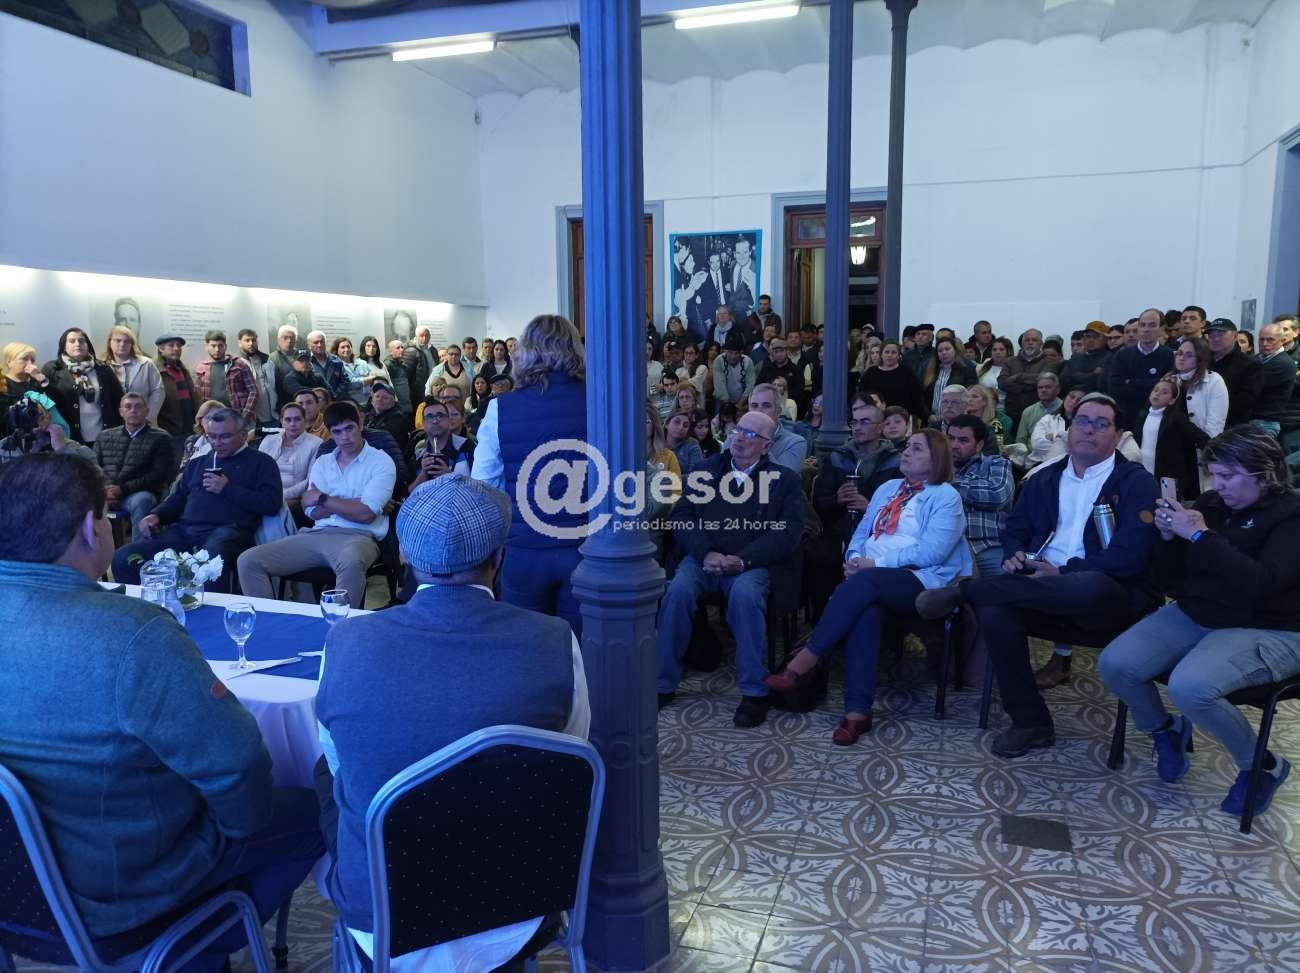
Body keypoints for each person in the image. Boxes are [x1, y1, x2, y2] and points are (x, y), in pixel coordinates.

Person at [0, 453, 323, 971]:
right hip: (122, 900)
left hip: (15, 896)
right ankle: (190, 948)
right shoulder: (133, 632)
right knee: (312, 810)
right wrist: (223, 832)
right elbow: (239, 767)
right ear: (90, 529)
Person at [314, 473, 588, 970]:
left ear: (404, 555)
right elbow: (568, 757)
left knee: (326, 773)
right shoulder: (555, 639)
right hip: (517, 903)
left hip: (385, 915)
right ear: (499, 557)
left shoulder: (346, 641)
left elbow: (340, 767)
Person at [915, 393, 1160, 758]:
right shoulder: (1044, 479)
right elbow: (1015, 529)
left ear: (1118, 435)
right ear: (1069, 429)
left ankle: (970, 591)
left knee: (1087, 583)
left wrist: (1062, 572)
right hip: (1037, 590)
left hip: (1106, 597)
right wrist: (1016, 556)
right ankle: (1031, 722)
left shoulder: (1136, 484)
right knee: (997, 612)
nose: (1089, 430)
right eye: (1082, 421)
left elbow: (1130, 557)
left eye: (1101, 424)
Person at [1098, 427, 1300, 817]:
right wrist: (1168, 538)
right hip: (1202, 611)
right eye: (1214, 474)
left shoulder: (1292, 516)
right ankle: (1165, 730)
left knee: (1191, 687)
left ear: (1264, 473)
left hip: (1268, 624)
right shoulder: (1212, 504)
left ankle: (1261, 765)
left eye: (1228, 476)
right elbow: (1171, 578)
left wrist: (1200, 537)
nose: (1217, 485)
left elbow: (1262, 584)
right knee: (1115, 664)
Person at [766, 429, 970, 744]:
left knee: (867, 584)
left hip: (924, 581)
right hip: (871, 579)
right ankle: (857, 713)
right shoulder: (888, 488)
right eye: (907, 446)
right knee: (867, 610)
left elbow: (932, 553)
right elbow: (862, 532)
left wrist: (873, 565)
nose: (906, 452)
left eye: (916, 449)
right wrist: (854, 558)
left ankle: (807, 657)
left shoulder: (945, 497)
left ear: (936, 459)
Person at [656, 410, 805, 728]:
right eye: (737, 430)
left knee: (746, 596)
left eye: (751, 435)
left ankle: (754, 692)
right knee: (676, 591)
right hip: (703, 558)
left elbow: (788, 534)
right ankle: (662, 683)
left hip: (751, 564)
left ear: (767, 446)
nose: (739, 438)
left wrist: (742, 560)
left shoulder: (785, 481)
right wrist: (705, 552)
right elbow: (682, 516)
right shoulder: (706, 470)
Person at [471, 314, 588, 636]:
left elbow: (484, 484)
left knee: (525, 645)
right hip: (585, 548)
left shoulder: (501, 408)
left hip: (525, 549)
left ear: (524, 352)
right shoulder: (598, 399)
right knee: (579, 647)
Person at [238, 401, 396, 609]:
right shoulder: (323, 462)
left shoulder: (380, 461)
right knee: (248, 560)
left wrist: (323, 499)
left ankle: (339, 626)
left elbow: (365, 515)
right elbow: (311, 511)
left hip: (360, 536)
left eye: (349, 428)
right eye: (337, 431)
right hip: (316, 534)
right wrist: (353, 503)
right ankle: (268, 622)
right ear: (330, 433)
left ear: (360, 425)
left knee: (351, 561)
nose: (345, 437)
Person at [111, 408, 283, 589]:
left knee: (211, 560)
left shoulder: (262, 463)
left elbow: (271, 504)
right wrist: (156, 515)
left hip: (228, 533)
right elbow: (178, 499)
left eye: (224, 437)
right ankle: (148, 604)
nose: (217, 443)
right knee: (123, 557)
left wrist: (228, 489)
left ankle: (210, 606)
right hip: (184, 532)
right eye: (212, 437)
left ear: (243, 435)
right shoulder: (198, 463)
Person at [807, 396, 903, 613]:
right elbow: (818, 502)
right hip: (838, 529)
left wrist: (870, 508)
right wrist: (837, 499)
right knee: (820, 558)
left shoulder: (895, 462)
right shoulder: (838, 457)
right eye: (855, 422)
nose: (858, 427)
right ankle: (822, 620)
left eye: (865, 422)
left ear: (880, 428)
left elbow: (903, 508)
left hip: (878, 535)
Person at [93, 393, 174, 541]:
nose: (133, 410)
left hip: (136, 493)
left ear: (147, 411)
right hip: (104, 493)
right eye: (128, 407)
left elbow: (158, 475)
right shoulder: (104, 436)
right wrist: (103, 490)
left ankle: (139, 551)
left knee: (143, 500)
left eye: (138, 406)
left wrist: (122, 489)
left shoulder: (161, 438)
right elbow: (93, 468)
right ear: (121, 412)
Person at [946, 415, 1015, 578]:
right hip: (945, 548)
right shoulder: (935, 466)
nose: (954, 445)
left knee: (1006, 585)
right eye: (950, 438)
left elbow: (998, 494)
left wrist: (946, 485)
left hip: (985, 546)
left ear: (979, 445)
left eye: (963, 440)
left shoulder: (995, 463)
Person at [43, 327, 124, 445]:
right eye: (72, 341)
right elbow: (45, 402)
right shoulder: (52, 369)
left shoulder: (103, 368)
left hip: (105, 435)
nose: (77, 344)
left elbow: (119, 399)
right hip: (70, 437)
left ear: (87, 345)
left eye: (81, 341)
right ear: (64, 346)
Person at [1133, 375, 1207, 502]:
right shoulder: (1142, 415)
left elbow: (1200, 437)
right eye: (1156, 390)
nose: (1157, 394)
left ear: (1172, 400)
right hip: (1143, 469)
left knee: (1167, 506)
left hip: (1167, 474)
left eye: (1164, 392)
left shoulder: (1177, 418)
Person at [258, 401, 322, 528]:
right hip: (266, 495)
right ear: (282, 421)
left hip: (295, 499)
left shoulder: (316, 443)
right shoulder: (269, 441)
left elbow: (310, 481)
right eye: (288, 419)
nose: (292, 424)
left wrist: (279, 497)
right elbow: (257, 473)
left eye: (297, 419)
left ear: (305, 421)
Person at [1108, 308, 1173, 428]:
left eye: (1152, 325)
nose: (1146, 329)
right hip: (1126, 417)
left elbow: (1166, 389)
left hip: (1157, 419)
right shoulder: (1122, 355)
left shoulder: (1168, 355)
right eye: (1142, 325)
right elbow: (1115, 388)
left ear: (1161, 328)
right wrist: (1153, 384)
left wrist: (1130, 382)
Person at [729, 383, 807, 473]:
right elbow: (722, 471)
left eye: (766, 406)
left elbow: (783, 478)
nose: (759, 411)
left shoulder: (795, 442)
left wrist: (760, 440)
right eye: (754, 406)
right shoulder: (734, 436)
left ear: (778, 412)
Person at [0, 392, 94, 466]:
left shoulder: (70, 446)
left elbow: (93, 474)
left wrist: (62, 449)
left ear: (49, 417)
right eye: (26, 419)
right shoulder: (3, 448)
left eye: (40, 418)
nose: (35, 425)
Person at [193, 330, 258, 428]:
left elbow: (254, 391)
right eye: (213, 346)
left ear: (225, 346)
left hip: (238, 416)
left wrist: (245, 415)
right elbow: (198, 397)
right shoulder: (202, 368)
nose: (217, 349)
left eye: (220, 346)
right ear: (206, 347)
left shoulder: (239, 364)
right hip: (214, 420)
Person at [1172, 336, 1228, 442]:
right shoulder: (1170, 379)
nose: (1182, 358)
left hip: (1200, 444)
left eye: (1189, 355)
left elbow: (1215, 424)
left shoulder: (1214, 381)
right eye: (1179, 353)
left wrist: (1207, 447)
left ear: (1200, 359)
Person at [1208, 317, 1261, 428]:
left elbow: (1245, 401)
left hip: (1232, 425)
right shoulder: (1202, 360)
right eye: (1211, 335)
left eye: (1221, 334)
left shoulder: (1250, 364)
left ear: (1235, 336)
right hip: (1201, 421)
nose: (1215, 338)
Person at [106, 325, 164, 423]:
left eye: (127, 341)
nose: (122, 344)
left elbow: (158, 391)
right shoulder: (103, 366)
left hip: (143, 421)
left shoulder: (146, 364)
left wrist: (148, 417)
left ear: (132, 344)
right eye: (118, 340)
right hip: (113, 422)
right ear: (110, 343)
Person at [411, 398, 475, 485]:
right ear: (423, 424)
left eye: (440, 416)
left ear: (449, 420)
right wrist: (423, 475)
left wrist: (450, 476)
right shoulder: (419, 452)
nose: (435, 421)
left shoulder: (467, 446)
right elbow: (408, 491)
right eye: (429, 417)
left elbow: (481, 486)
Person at [1252, 321, 1295, 438]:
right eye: (1261, 339)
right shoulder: (1259, 357)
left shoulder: (1283, 363)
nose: (1264, 343)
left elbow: (1251, 384)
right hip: (1254, 420)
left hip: (1265, 422)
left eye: (1270, 339)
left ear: (1282, 341)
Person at [998, 329, 1048, 426]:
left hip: (1038, 413)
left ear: (1041, 344)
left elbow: (1045, 381)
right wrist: (1030, 386)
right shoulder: (1010, 361)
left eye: (1034, 340)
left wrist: (1017, 377)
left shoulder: (1048, 361)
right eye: (1027, 340)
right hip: (1012, 412)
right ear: (1022, 343)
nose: (1030, 342)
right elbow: (1002, 383)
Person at [860, 339, 923, 416]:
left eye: (893, 352)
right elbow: (862, 395)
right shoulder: (871, 372)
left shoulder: (907, 372)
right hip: (876, 416)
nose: (890, 355)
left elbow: (916, 397)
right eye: (887, 352)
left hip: (901, 417)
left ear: (899, 355)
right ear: (881, 354)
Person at [0, 342, 51, 435]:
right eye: (24, 359)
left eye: (32, 360)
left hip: (39, 436)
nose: (30, 363)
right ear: (9, 362)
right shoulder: (2, 384)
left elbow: (49, 407)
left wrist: (40, 378)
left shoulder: (35, 384)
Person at [922, 337, 977, 419]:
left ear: (955, 350)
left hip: (957, 418)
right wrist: (928, 415)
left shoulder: (967, 370)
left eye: (947, 349)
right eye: (940, 351)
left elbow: (970, 396)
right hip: (932, 418)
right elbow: (922, 396)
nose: (944, 352)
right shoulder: (929, 371)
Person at [237, 328, 278, 430]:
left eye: (253, 340)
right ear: (240, 343)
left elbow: (274, 386)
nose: (251, 343)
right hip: (248, 415)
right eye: (247, 340)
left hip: (269, 414)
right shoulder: (236, 364)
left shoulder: (267, 361)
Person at [1058, 321, 1112, 395]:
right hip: (1071, 398)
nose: (1091, 340)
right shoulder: (1075, 358)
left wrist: (1076, 376)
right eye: (1088, 336)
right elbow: (1063, 381)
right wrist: (1092, 375)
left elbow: (1101, 383)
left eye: (1096, 336)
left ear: (1105, 339)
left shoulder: (1110, 358)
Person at [362, 380, 410, 457]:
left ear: (393, 403)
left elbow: (381, 437)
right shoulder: (368, 415)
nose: (380, 399)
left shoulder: (398, 418)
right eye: (377, 396)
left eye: (385, 398)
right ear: (372, 400)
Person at [178, 398, 225, 469]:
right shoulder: (192, 440)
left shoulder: (227, 442)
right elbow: (183, 469)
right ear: (200, 421)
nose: (212, 421)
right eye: (208, 418)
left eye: (216, 417)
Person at [963, 384, 1011, 453]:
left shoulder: (995, 424)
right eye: (967, 397)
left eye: (974, 396)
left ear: (985, 401)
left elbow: (996, 450)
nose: (969, 400)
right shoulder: (960, 420)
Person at [713, 330, 756, 406]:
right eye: (730, 352)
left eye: (736, 353)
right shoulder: (718, 361)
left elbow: (750, 385)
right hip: (722, 400)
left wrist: (740, 404)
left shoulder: (748, 362)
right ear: (725, 350)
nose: (733, 357)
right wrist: (728, 406)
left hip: (743, 400)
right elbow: (720, 385)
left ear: (741, 352)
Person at [305, 330, 350, 402]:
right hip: (315, 402)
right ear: (309, 345)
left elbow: (345, 381)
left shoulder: (336, 361)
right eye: (316, 342)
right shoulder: (305, 362)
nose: (319, 345)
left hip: (336, 401)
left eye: (322, 342)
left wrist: (334, 395)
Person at [331, 337, 377, 407]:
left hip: (368, 403)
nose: (346, 349)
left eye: (348, 346)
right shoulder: (335, 366)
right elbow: (349, 384)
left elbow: (373, 379)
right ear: (336, 350)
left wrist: (358, 381)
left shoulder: (362, 362)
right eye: (343, 347)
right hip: (349, 405)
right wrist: (365, 380)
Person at [976, 337, 1014, 412]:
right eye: (994, 350)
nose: (997, 352)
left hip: (1006, 409)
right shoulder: (981, 367)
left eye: (1001, 349)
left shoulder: (1013, 368)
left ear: (1008, 352)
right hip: (983, 408)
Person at [267, 324, 300, 406]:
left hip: (303, 402)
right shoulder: (271, 359)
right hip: (282, 403)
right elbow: (270, 386)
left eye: (292, 338)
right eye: (285, 338)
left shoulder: (303, 356)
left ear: (296, 340)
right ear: (278, 340)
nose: (289, 341)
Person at [402, 322, 437, 398]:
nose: (424, 338)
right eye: (421, 336)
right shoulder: (410, 351)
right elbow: (406, 375)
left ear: (430, 336)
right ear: (416, 336)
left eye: (427, 335)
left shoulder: (433, 350)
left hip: (433, 389)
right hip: (418, 393)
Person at [666, 407, 703, 475]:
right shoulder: (656, 443)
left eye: (685, 425)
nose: (681, 427)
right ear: (667, 424)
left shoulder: (692, 446)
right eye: (677, 422)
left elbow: (696, 475)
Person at [382, 338, 415, 415]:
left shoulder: (403, 364)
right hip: (396, 407)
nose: (401, 350)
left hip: (406, 404)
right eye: (398, 348)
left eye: (402, 347)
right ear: (390, 351)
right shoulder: (387, 365)